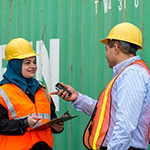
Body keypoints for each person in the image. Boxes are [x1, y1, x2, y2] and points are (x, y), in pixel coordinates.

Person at [51, 22, 150, 150]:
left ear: (115, 48)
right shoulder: (127, 73)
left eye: (106, 49)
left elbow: (124, 127)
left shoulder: (132, 75)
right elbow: (107, 114)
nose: (106, 55)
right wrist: (77, 98)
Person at [0, 38, 64, 150]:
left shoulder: (42, 89)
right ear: (15, 65)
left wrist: (57, 127)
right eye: (27, 63)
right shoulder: (3, 92)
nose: (33, 66)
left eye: (34, 62)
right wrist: (25, 123)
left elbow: (51, 117)